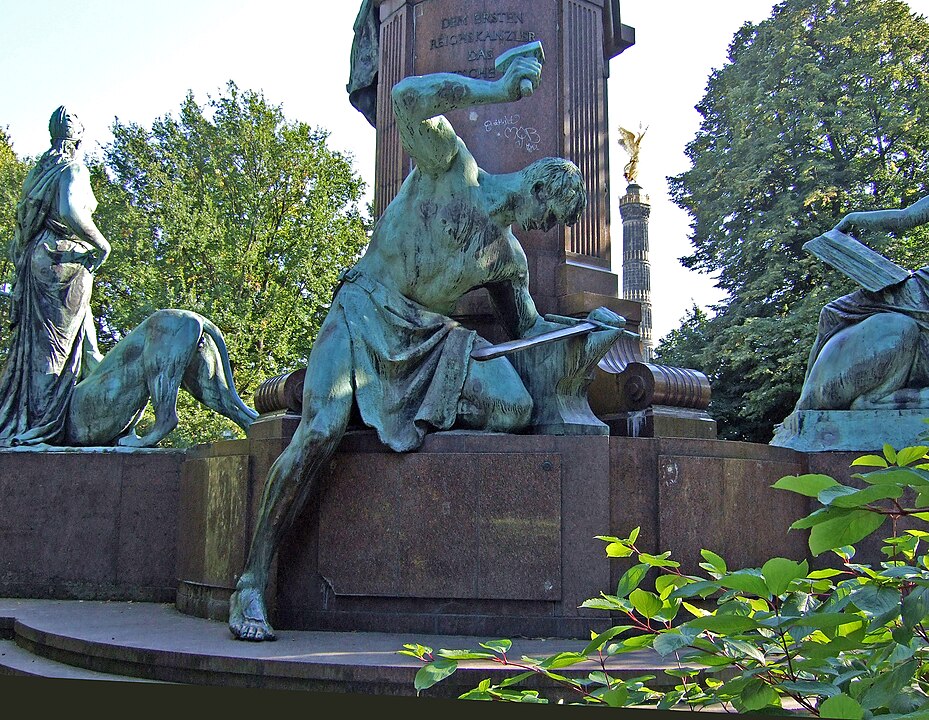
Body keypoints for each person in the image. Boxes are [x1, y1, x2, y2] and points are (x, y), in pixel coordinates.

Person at [229, 55, 623, 640]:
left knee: (513, 408)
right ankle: (253, 582)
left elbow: (528, 329)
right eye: (551, 214)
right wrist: (494, 90)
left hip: (429, 338)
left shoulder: (508, 260)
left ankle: (421, 461)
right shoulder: (451, 167)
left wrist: (589, 331)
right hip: (364, 310)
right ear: (539, 185)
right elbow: (406, 98)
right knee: (319, 430)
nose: (545, 228)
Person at [0, 106, 111, 445]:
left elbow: (21, 228)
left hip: (37, 260)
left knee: (44, 346)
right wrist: (101, 243)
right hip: (64, 261)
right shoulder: (74, 168)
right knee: (56, 351)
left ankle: (30, 420)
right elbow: (69, 209)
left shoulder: (39, 171)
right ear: (77, 139)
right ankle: (43, 427)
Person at [796, 195, 929, 411]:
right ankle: (807, 403)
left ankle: (807, 402)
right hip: (920, 290)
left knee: (832, 311)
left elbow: (904, 218)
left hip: (919, 292)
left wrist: (852, 219)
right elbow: (905, 218)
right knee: (832, 312)